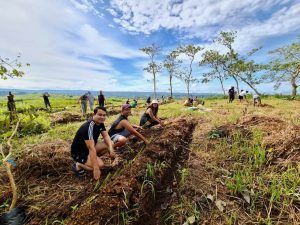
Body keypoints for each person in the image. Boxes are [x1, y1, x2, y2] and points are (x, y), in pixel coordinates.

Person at [71, 106, 116, 180]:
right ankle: (78, 165)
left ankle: (92, 159)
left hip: (90, 147)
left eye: (104, 115)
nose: (102, 117)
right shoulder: (89, 126)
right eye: (100, 115)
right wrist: (96, 168)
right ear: (94, 114)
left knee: (110, 143)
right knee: (100, 165)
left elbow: (106, 136)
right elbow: (91, 148)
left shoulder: (100, 123)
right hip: (80, 152)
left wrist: (111, 149)